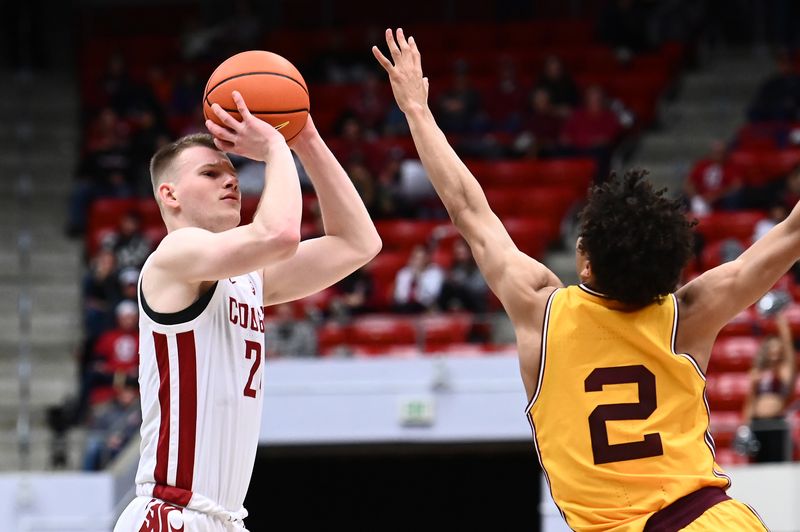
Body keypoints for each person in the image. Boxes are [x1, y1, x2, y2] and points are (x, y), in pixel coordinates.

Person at [374, 28, 769, 530]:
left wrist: (417, 109)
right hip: (714, 521)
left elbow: (468, 208)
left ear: (585, 262)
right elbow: (786, 237)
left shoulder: (541, 310)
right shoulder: (687, 315)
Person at [114, 91, 381, 531]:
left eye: (233, 171)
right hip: (171, 515)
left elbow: (359, 244)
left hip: (224, 518)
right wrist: (277, 147)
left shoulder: (246, 278)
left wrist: (307, 138)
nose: (231, 180)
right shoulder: (173, 255)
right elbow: (279, 235)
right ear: (170, 194)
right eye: (210, 172)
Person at [741, 310, 797, 463]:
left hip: (776, 424)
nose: (775, 352)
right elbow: (750, 401)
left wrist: (780, 319)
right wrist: (744, 426)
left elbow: (788, 349)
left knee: (777, 467)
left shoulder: (783, 371)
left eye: (777, 348)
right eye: (771, 348)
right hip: (757, 425)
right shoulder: (757, 373)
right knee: (759, 468)